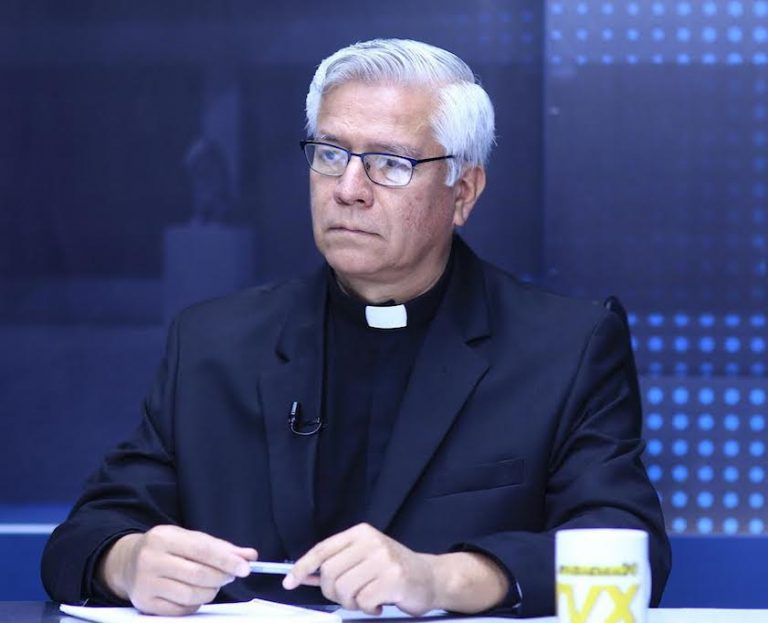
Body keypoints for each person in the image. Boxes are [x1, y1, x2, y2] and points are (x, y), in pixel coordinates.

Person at [41, 38, 670, 618]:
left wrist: (441, 579)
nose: (348, 189)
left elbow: (628, 545)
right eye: (330, 154)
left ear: (463, 192)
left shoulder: (565, 348)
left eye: (390, 163)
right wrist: (128, 562)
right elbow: (82, 537)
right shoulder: (213, 343)